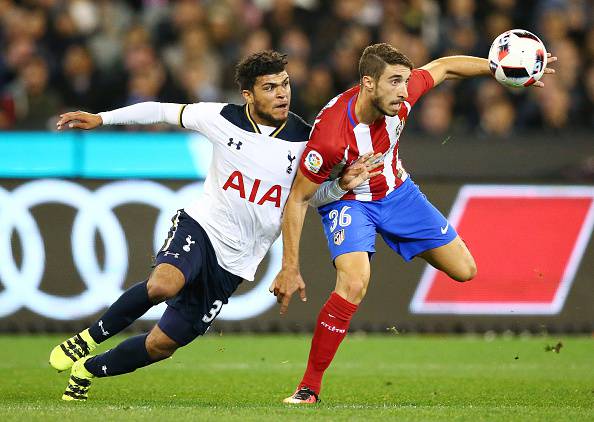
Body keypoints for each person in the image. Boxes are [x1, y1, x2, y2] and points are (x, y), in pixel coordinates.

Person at [49, 50, 381, 401]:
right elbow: (161, 110)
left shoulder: (306, 140)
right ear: (248, 95)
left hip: (236, 263)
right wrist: (102, 118)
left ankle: (86, 369)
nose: (282, 93)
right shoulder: (221, 117)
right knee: (163, 284)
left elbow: (306, 198)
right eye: (270, 87)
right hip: (203, 227)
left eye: (285, 84)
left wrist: (339, 187)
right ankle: (85, 340)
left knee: (162, 345)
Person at [270, 43, 557, 403]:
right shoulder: (331, 137)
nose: (405, 91)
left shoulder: (400, 98)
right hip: (348, 200)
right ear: (368, 83)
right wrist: (290, 266)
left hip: (398, 194)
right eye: (395, 82)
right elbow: (298, 199)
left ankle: (400, 237)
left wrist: (503, 68)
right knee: (355, 282)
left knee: (465, 270)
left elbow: (446, 66)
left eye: (406, 81)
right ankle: (309, 387)